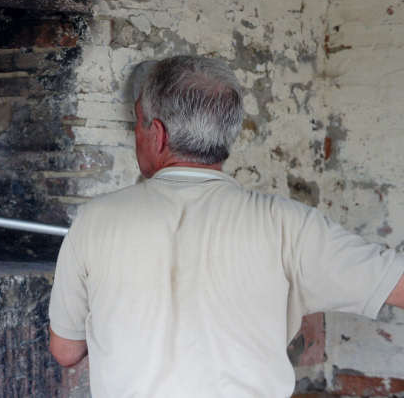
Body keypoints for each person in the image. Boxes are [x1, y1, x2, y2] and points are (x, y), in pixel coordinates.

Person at [48, 55, 404, 397]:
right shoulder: (288, 225)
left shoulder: (94, 219)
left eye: (138, 122)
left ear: (157, 133)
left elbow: (65, 350)